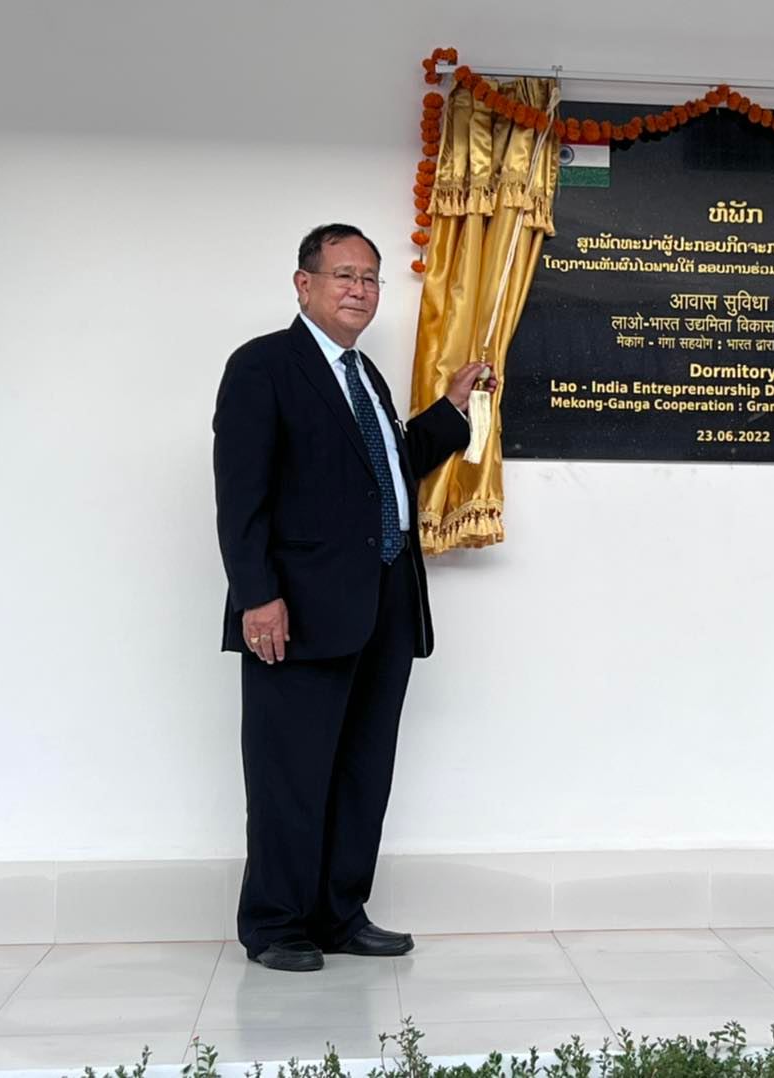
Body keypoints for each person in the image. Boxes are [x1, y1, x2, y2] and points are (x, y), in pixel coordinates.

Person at [213, 223, 492, 972]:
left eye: (369, 277)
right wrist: (257, 596)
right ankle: (275, 924)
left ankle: (340, 913)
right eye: (343, 275)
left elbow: (388, 468)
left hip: (384, 607)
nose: (359, 290)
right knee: (289, 774)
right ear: (303, 284)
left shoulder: (364, 376)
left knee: (362, 771)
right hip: (296, 612)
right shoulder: (263, 367)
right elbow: (241, 497)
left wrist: (451, 407)